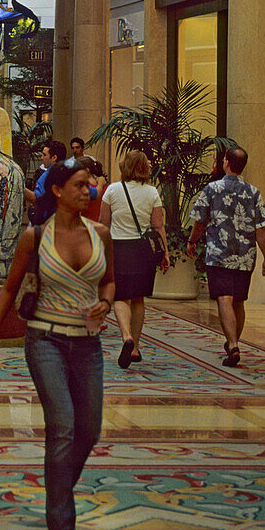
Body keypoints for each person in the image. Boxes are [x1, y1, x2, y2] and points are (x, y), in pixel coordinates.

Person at [0, 158, 115, 530]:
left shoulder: (102, 234)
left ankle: (57, 490)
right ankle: (63, 528)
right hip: (45, 340)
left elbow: (109, 283)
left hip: (87, 344)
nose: (88, 189)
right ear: (58, 190)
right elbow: (9, 289)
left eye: (90, 184)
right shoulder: (35, 236)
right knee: (62, 426)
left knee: (89, 431)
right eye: (80, 184)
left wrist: (105, 305)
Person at [187, 145, 265, 367]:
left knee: (224, 298)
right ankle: (233, 342)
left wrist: (192, 241)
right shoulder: (254, 192)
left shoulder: (212, 189)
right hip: (246, 255)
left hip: (219, 253)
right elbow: (260, 228)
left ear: (226, 162)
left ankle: (232, 344)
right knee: (239, 301)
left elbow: (200, 221)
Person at [100, 150, 169, 369]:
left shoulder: (112, 190)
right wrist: (165, 252)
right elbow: (158, 226)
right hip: (143, 250)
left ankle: (126, 336)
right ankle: (136, 347)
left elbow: (103, 223)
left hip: (118, 247)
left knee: (120, 296)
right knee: (139, 298)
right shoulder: (152, 193)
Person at [25, 139, 67, 209]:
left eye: (44, 155)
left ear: (54, 157)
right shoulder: (70, 172)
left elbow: (35, 198)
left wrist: (19, 185)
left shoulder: (48, 176)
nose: (42, 158)